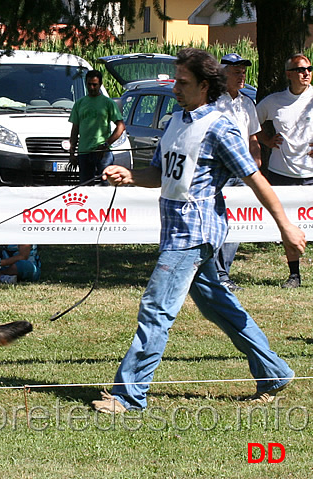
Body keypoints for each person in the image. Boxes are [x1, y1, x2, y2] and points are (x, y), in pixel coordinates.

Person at [94, 48, 306, 414]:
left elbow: (255, 180)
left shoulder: (220, 128)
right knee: (221, 307)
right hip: (178, 233)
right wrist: (129, 176)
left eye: (183, 82)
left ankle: (128, 395)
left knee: (156, 309)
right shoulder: (176, 121)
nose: (175, 87)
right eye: (176, 79)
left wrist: (286, 227)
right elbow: (161, 174)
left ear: (205, 86)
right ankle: (273, 372)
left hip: (194, 235)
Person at [256, 53, 313, 288]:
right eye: (301, 70)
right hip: (282, 174)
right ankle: (294, 275)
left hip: (311, 174)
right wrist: (267, 141)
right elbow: (250, 123)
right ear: (289, 74)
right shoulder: (274, 101)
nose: (306, 73)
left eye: (309, 69)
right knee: (288, 225)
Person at [213, 53, 263, 292]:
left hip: (242, 172)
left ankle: (223, 273)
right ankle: (213, 273)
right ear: (223, 74)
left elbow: (253, 137)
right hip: (219, 171)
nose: (241, 75)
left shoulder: (247, 104)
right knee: (217, 221)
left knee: (237, 222)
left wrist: (256, 161)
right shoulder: (212, 101)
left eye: (243, 71)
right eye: (236, 72)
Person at [67, 70, 125, 186]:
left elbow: (121, 126)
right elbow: (75, 130)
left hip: (102, 153)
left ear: (100, 84)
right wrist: (72, 152)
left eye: (95, 85)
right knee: (85, 187)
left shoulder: (108, 103)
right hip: (84, 152)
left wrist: (106, 144)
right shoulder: (80, 103)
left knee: (107, 185)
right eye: (89, 84)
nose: (92, 87)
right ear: (85, 83)